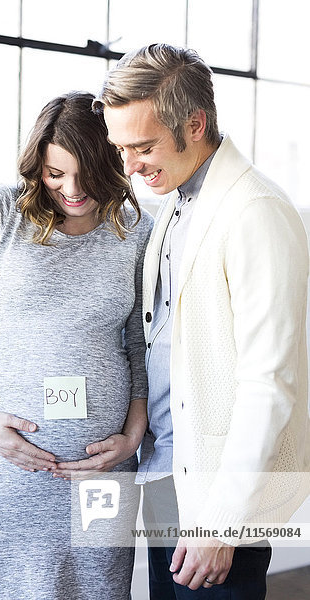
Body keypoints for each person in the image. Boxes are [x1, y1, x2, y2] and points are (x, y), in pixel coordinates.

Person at [80, 43, 310, 598]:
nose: (130, 166)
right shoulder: (175, 205)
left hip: (219, 499)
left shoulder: (256, 212)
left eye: (143, 146)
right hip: (167, 476)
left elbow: (268, 383)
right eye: (121, 148)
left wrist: (223, 519)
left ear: (196, 123)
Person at [0, 91, 153, 600]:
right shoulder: (1, 212)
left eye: (87, 175)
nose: (71, 190)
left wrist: (133, 434)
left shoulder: (136, 230)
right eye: (56, 174)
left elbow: (141, 343)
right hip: (1, 469)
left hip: (103, 473)